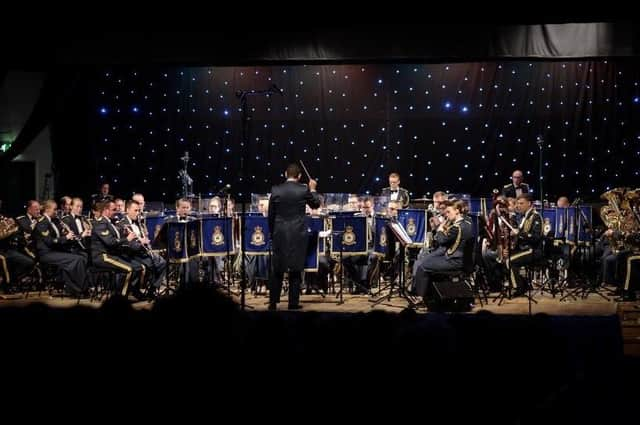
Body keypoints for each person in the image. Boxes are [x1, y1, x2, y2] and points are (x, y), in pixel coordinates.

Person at [267, 163, 320, 310]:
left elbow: (271, 215)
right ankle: (293, 303)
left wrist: (273, 233)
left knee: (277, 268)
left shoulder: (276, 190)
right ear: (300, 176)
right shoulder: (303, 189)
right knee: (295, 269)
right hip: (298, 233)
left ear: (285, 174)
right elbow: (315, 204)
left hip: (279, 233)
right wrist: (313, 189)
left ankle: (273, 302)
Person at [412, 200, 473, 300]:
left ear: (457, 211)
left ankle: (420, 297)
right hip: (465, 261)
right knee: (429, 262)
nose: (447, 215)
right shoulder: (467, 222)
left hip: (454, 261)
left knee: (423, 266)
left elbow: (441, 241)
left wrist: (440, 230)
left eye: (449, 212)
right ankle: (430, 295)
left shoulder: (456, 227)